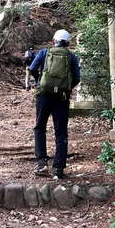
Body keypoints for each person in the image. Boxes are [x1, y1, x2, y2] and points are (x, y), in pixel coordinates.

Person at [29, 29, 80, 179]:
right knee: (61, 132)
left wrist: (40, 82)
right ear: (68, 43)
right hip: (62, 98)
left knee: (40, 127)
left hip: (44, 95)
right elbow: (77, 77)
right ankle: (58, 167)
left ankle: (42, 162)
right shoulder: (71, 56)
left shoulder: (45, 52)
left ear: (54, 40)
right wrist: (67, 87)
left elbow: (32, 68)